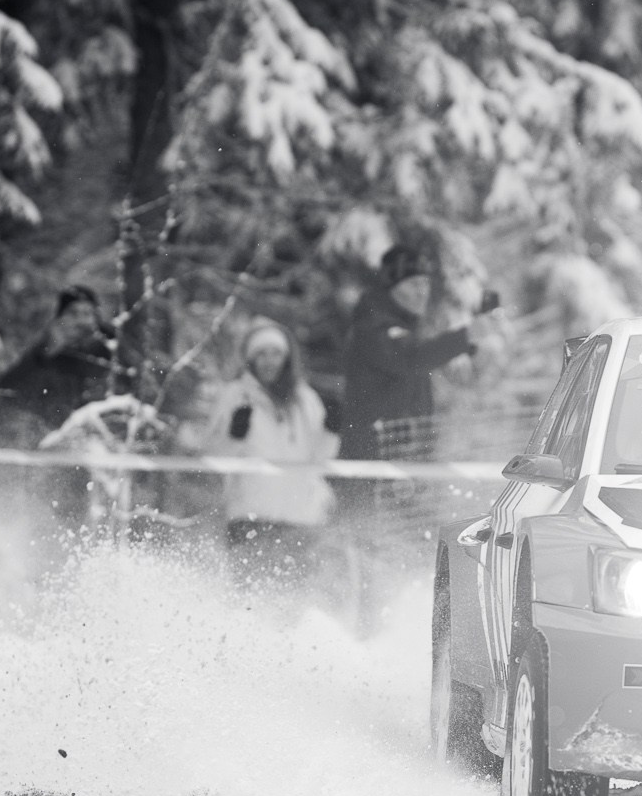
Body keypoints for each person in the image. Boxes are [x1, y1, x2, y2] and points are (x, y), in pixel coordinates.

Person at [188, 319, 339, 584]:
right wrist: (234, 435)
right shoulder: (235, 395)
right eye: (262, 354)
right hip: (251, 515)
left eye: (276, 354)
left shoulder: (305, 399)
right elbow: (215, 457)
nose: (269, 361)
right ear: (251, 359)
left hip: (301, 518)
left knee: (297, 598)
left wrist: (331, 430)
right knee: (251, 594)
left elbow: (320, 459)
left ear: (287, 358)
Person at [336, 245, 488, 460]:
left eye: (426, 283)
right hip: (372, 462)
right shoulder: (372, 327)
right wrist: (463, 338)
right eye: (414, 283)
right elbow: (411, 358)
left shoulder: (405, 328)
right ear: (391, 287)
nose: (422, 291)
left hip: (402, 458)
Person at [0, 285, 115, 448]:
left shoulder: (111, 350)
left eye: (87, 314)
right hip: (47, 438)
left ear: (96, 318)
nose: (81, 322)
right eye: (73, 314)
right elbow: (8, 389)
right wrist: (47, 353)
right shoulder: (45, 352)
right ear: (59, 319)